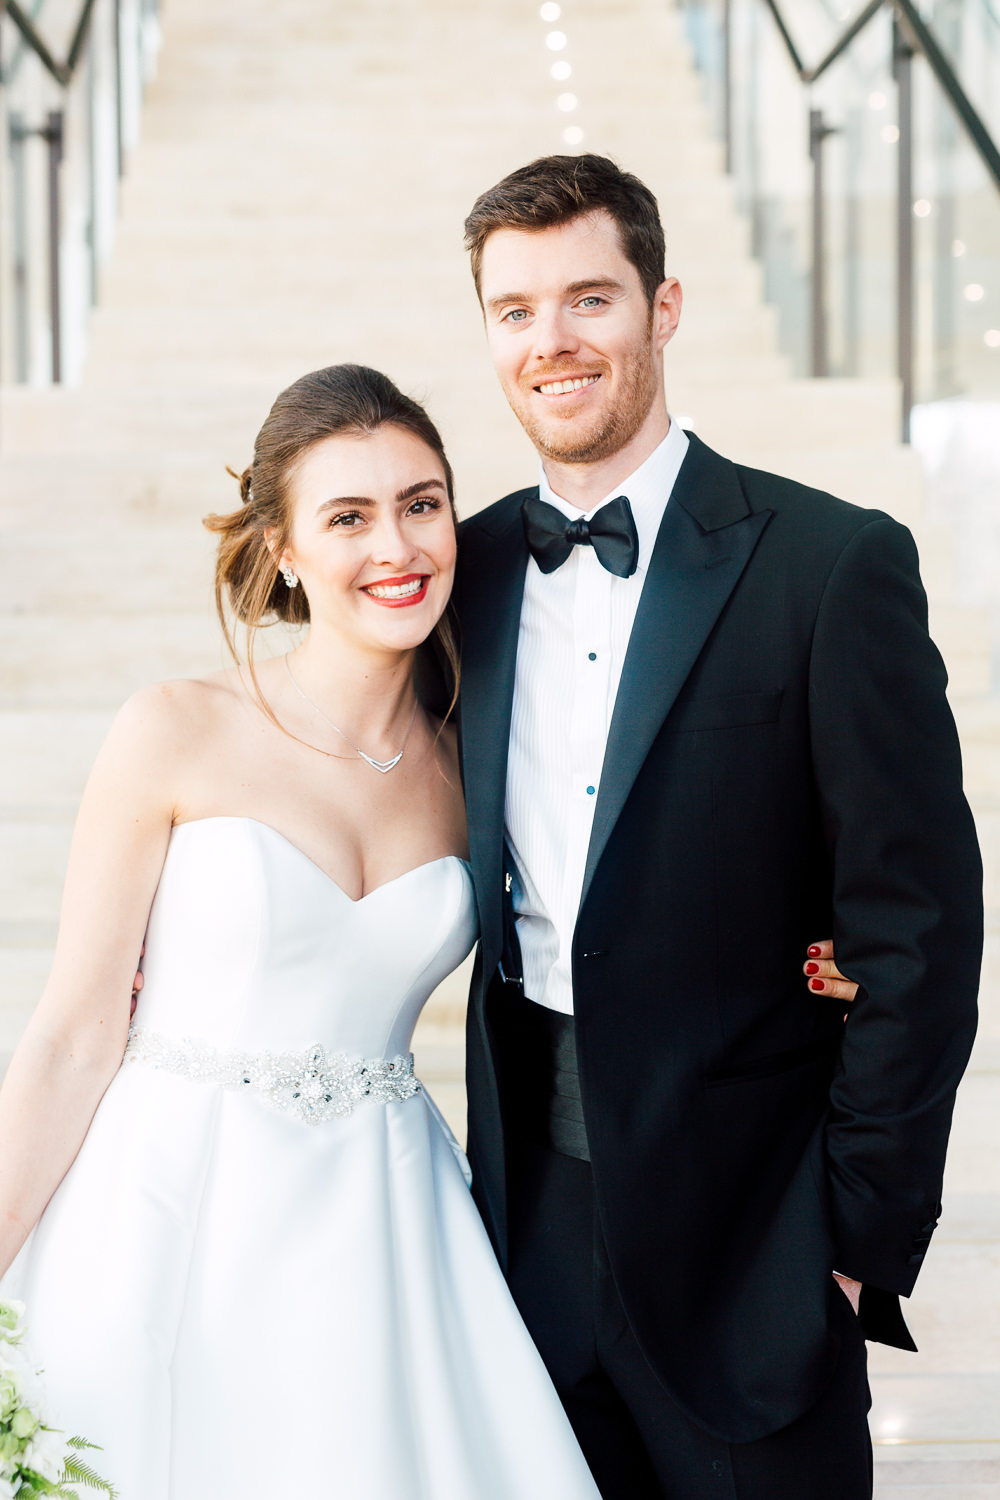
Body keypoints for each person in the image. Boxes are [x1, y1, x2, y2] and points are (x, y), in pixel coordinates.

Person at [452, 154, 983, 1500]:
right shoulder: (464, 577)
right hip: (530, 1235)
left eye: (589, 299)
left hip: (759, 1241)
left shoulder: (828, 566)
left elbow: (919, 926)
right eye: (515, 310)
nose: (553, 342)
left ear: (664, 305)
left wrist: (859, 1232)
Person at [0, 366, 606, 1499]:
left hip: (380, 1226)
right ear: (281, 548)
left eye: (422, 503)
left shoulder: (481, 767)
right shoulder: (176, 727)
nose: (398, 544)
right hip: (167, 1203)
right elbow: (72, 1036)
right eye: (348, 516)